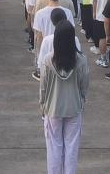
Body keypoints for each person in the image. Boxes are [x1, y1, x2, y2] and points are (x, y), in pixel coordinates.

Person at [41, 22, 90, 174]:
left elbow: (43, 86)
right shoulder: (81, 60)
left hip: (53, 108)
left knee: (54, 146)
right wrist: (82, 98)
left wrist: (42, 104)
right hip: (74, 107)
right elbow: (84, 84)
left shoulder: (48, 60)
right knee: (72, 146)